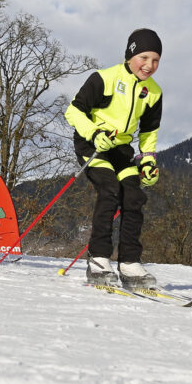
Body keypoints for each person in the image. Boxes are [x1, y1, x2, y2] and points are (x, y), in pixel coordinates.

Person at [65, 28, 163, 289]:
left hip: (120, 150)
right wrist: (95, 133)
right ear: (130, 55)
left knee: (133, 195)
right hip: (92, 144)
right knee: (109, 190)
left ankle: (130, 263)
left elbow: (149, 131)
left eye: (155, 60)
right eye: (144, 57)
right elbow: (73, 111)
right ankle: (98, 259)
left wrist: (148, 160)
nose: (149, 65)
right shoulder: (105, 78)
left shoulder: (153, 92)